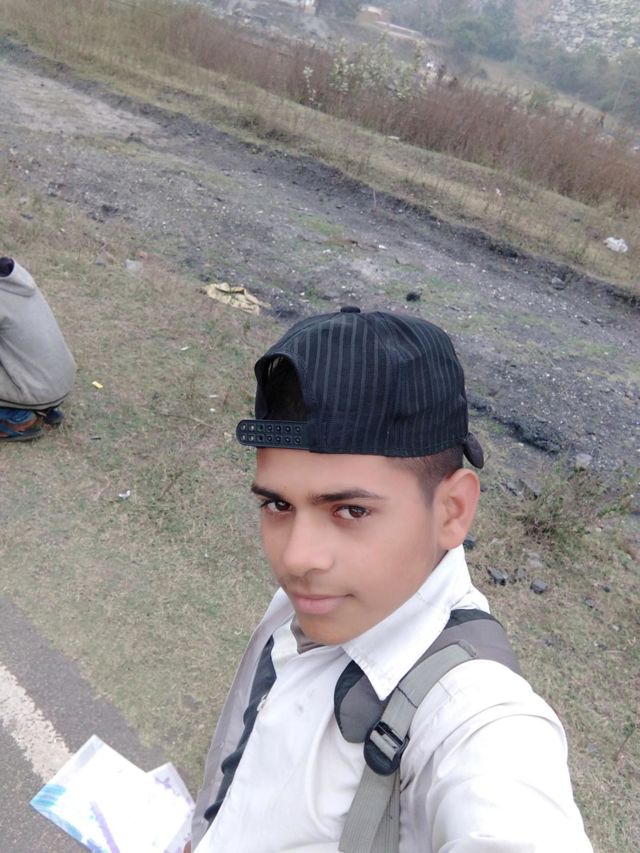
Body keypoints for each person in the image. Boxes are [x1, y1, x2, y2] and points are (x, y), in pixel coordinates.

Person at [190, 307, 593, 852]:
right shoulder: (308, 602)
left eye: (351, 510)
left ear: (452, 511)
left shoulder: (477, 721)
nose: (297, 558)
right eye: (278, 505)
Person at [0, 256, 76, 441]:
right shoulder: (12, 278)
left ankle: (17, 417)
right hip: (57, 381)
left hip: (36, 389)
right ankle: (42, 409)